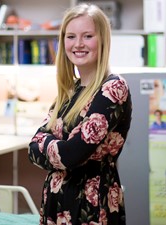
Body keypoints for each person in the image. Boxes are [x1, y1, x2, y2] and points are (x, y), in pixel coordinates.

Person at [28, 3, 132, 225]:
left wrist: (49, 143)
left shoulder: (113, 89)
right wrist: (56, 146)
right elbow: (32, 148)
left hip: (91, 207)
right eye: (71, 36)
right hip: (56, 206)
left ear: (102, 39)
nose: (78, 44)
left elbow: (72, 154)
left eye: (87, 36)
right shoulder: (69, 92)